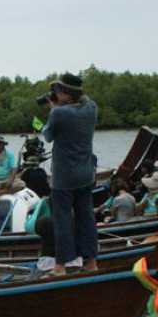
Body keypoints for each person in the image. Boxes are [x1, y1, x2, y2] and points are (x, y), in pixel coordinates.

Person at [42, 72, 98, 275]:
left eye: (57, 90)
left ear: (66, 94)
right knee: (86, 218)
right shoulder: (92, 107)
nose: (55, 93)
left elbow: (47, 135)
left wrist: (53, 108)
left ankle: (60, 267)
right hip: (86, 174)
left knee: (63, 222)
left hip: (64, 177)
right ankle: (91, 263)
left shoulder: (59, 113)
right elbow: (83, 100)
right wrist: (63, 101)